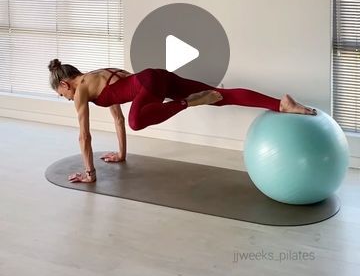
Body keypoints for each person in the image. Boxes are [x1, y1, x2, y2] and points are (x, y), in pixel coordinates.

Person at [48, 60, 317, 184]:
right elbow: (116, 117)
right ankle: (281, 104)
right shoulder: (98, 74)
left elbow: (84, 136)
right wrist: (121, 154)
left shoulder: (81, 89)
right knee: (221, 96)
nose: (68, 98)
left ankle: (190, 102)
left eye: (64, 95)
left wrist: (90, 174)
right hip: (155, 76)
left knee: (137, 121)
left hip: (148, 84)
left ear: (64, 83)